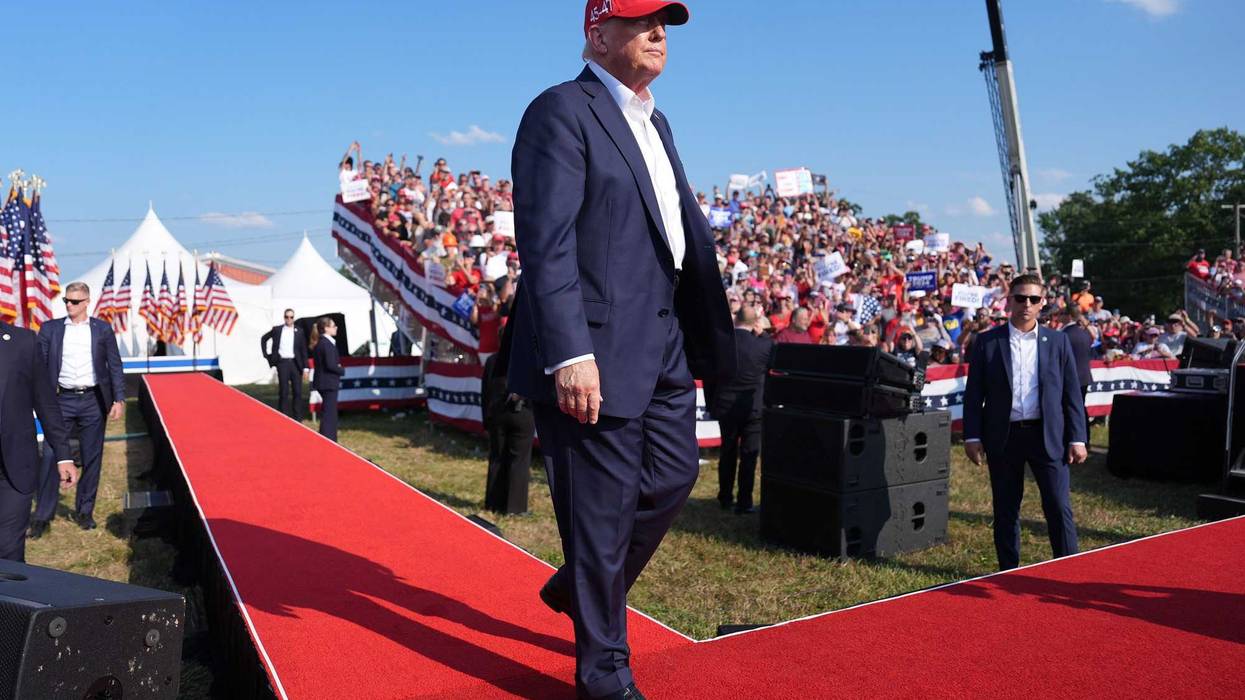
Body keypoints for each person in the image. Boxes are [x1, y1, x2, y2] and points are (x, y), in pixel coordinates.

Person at [506, 3, 734, 697]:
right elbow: (545, 243)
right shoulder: (560, 110)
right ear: (597, 34)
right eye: (642, 21)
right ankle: (604, 673)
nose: (659, 33)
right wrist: (569, 352)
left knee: (673, 479)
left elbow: (674, 239)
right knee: (600, 519)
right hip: (594, 351)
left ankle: (581, 584)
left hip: (662, 344)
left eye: (665, 23)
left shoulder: (656, 123)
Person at [962, 274, 1088, 571]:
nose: (1026, 304)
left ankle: (1069, 570)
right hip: (1003, 437)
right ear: (1010, 301)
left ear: (1042, 303)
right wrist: (971, 436)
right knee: (1006, 509)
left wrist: (1078, 437)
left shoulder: (1057, 341)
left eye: (1033, 299)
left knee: (1058, 506)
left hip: (1047, 435)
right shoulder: (987, 342)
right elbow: (974, 393)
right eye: (1020, 298)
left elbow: (1071, 392)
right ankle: (1008, 572)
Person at [30, 282, 126, 535]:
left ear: (86, 302)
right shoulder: (50, 329)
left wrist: (119, 399)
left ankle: (85, 511)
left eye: (74, 301)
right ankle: (42, 516)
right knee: (50, 454)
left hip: (93, 400)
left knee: (92, 456)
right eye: (66, 301)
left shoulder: (102, 329)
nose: (69, 305)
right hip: (61, 399)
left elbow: (115, 365)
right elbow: (39, 365)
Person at [0, 318, 76, 561]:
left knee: (8, 551)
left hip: (14, 467)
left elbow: (46, 403)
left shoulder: (23, 342)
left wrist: (63, 455)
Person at [713, 305, 773, 515]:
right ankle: (744, 501)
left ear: (735, 319)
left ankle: (725, 497)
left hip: (726, 406)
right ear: (755, 322)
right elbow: (772, 350)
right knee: (749, 455)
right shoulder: (763, 345)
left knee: (727, 452)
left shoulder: (723, 343)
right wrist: (763, 333)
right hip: (752, 408)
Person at [482, 323, 534, 515]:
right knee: (519, 460)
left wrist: (485, 419)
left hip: (497, 413)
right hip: (522, 414)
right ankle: (515, 507)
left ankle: (493, 502)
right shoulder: (527, 361)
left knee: (497, 457)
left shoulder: (492, 360)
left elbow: (485, 392)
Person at [260, 309, 309, 421]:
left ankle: (297, 418)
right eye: (287, 317)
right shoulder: (277, 330)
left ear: (294, 318)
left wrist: (306, 367)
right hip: (282, 363)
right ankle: (282, 416)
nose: (289, 319)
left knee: (297, 391)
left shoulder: (299, 331)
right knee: (283, 391)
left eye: (291, 317)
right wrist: (267, 356)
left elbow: (303, 350)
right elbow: (264, 339)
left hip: (295, 363)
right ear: (284, 317)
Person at [310, 318, 344, 442]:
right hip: (328, 382)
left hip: (324, 381)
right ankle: (329, 438)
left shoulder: (322, 343)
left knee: (328, 412)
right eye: (333, 326)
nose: (336, 328)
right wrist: (341, 370)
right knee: (330, 414)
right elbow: (330, 364)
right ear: (326, 328)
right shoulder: (326, 344)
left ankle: (327, 437)